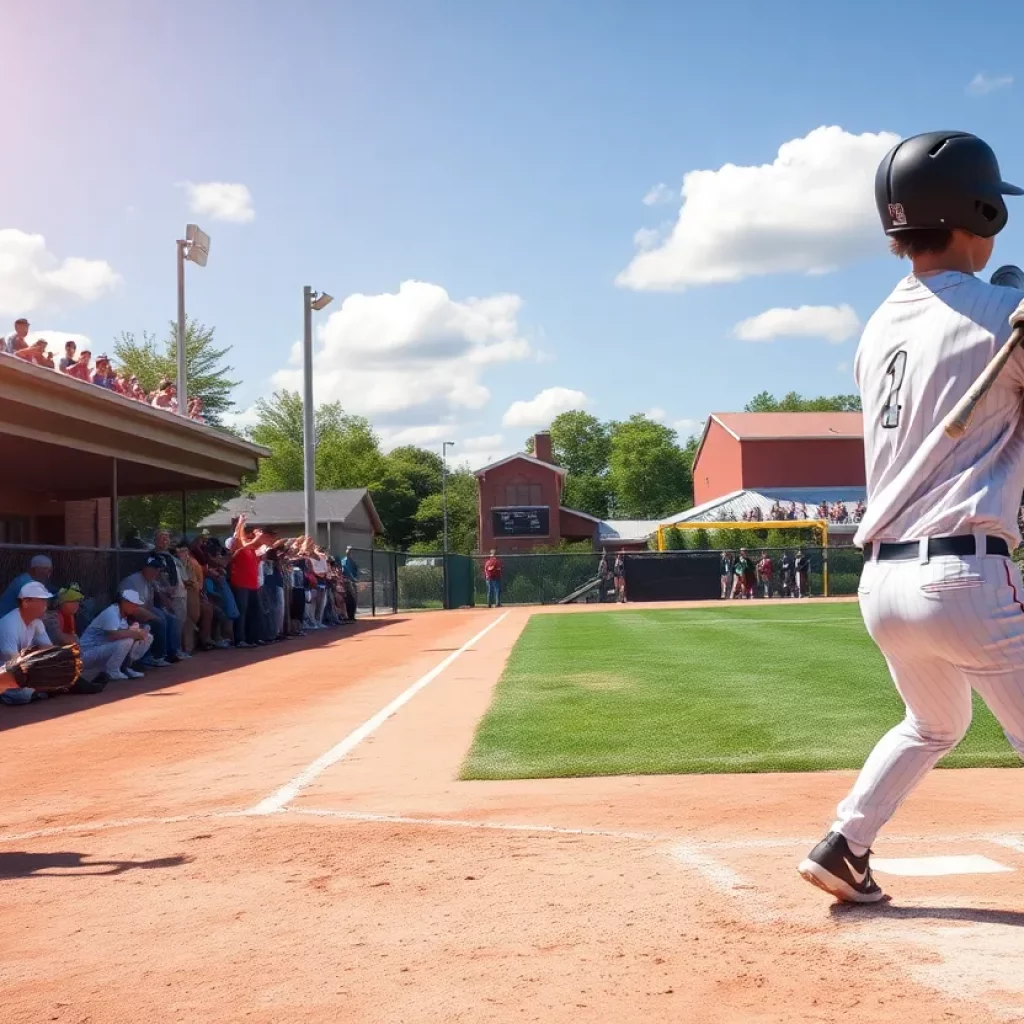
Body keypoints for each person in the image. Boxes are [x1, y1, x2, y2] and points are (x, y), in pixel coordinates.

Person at [798, 130, 1024, 904]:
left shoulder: (877, 329)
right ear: (981, 210)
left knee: (932, 725)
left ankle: (845, 843)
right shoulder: (1004, 315)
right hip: (965, 576)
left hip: (884, 584)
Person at [78, 589, 153, 681]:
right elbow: (113, 635)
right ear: (124, 602)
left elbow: (122, 633)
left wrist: (138, 633)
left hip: (100, 651)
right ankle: (112, 671)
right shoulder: (111, 613)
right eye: (134, 604)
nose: (136, 607)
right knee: (127, 640)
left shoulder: (122, 615)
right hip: (86, 655)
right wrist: (134, 633)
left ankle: (125, 667)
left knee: (148, 637)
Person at [120, 557, 180, 667]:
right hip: (129, 612)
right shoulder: (133, 580)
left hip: (144, 607)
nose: (156, 572)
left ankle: (171, 653)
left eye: (158, 569)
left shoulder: (149, 581)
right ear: (145, 568)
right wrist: (152, 615)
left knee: (171, 618)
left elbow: (150, 603)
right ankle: (157, 656)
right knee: (159, 621)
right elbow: (132, 606)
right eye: (153, 569)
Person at [0, 581, 54, 661]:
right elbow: (13, 663)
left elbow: (48, 649)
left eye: (45, 601)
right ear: (25, 603)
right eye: (42, 600)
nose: (45, 604)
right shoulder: (9, 625)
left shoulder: (37, 622)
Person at [340, 546, 359, 621]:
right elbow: (345, 571)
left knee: (354, 598)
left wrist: (355, 578)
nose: (350, 553)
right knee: (348, 599)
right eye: (349, 551)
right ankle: (348, 616)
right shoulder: (344, 561)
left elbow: (356, 571)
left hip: (352, 582)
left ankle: (352, 615)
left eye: (351, 551)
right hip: (347, 582)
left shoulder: (353, 561)